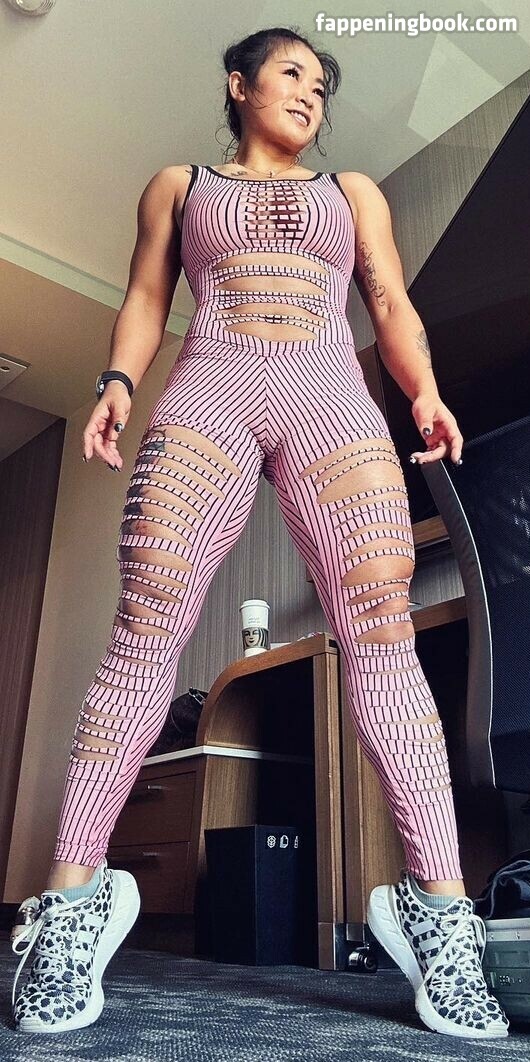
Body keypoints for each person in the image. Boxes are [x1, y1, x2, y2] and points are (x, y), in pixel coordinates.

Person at [10, 25, 508, 1041]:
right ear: (237, 84)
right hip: (210, 396)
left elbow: (387, 299)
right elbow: (147, 296)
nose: (310, 94)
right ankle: (68, 905)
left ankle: (441, 914)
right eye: (291, 73)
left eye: (321, 85)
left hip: (333, 404)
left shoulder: (352, 192)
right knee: (145, 626)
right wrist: (116, 380)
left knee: (383, 634)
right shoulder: (179, 185)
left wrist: (422, 390)